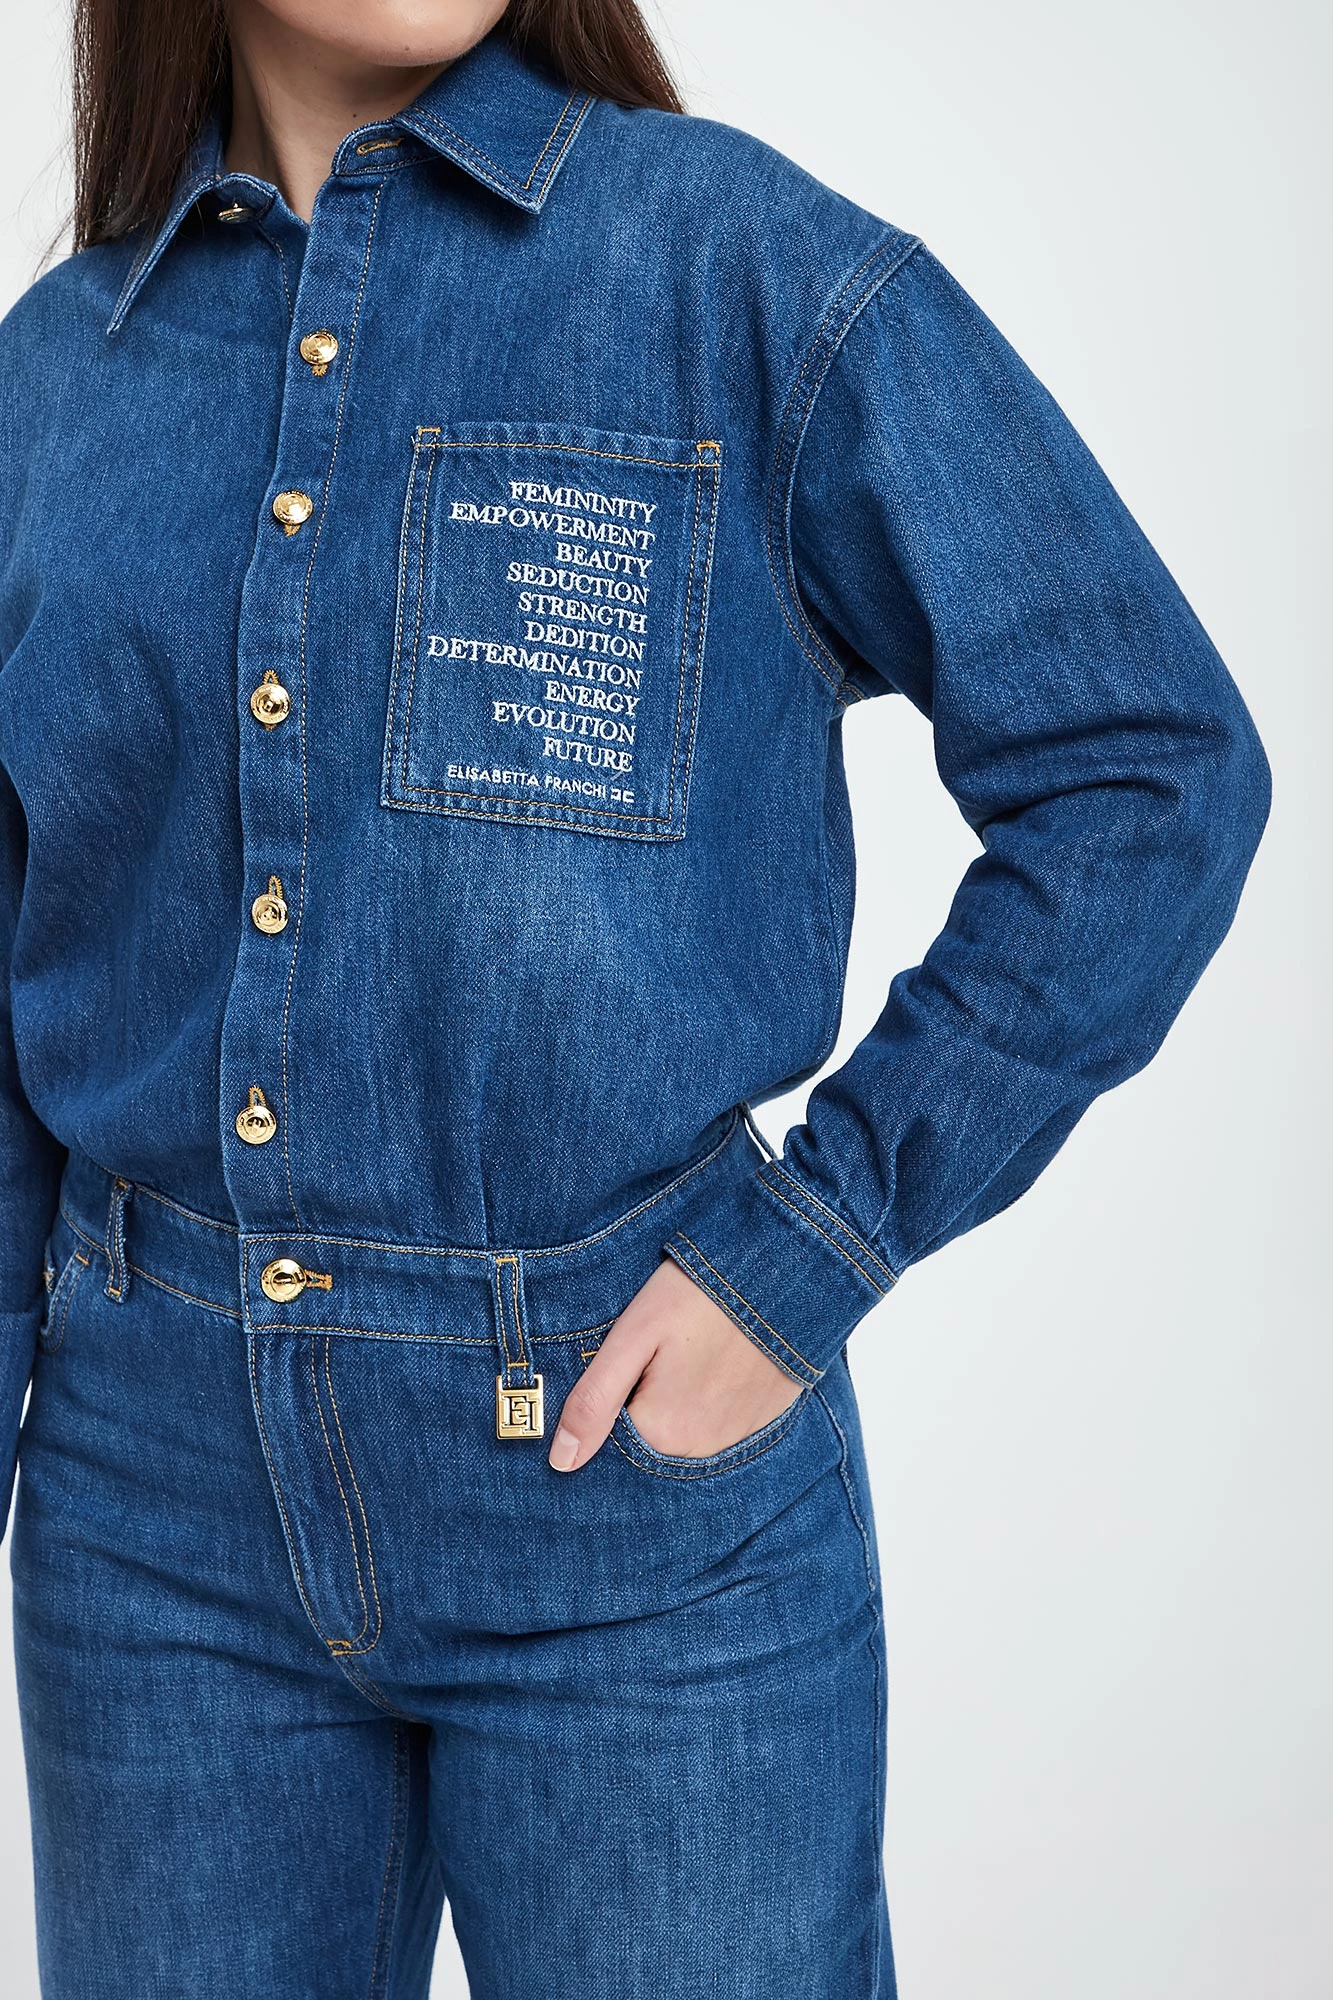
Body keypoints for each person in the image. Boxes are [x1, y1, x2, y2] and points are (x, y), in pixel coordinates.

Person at [0, 0, 1270, 1993]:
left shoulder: (738, 269)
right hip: (147, 1527)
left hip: (633, 1501)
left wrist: (817, 1241)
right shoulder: (58, 375)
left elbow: (1147, 765)